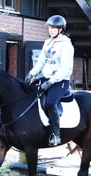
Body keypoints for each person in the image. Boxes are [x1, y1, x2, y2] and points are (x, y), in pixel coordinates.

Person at [25, 15, 74, 146]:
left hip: (60, 81)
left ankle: (56, 135)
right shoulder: (47, 42)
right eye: (50, 27)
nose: (50, 30)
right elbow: (41, 62)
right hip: (46, 78)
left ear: (61, 29)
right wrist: (31, 74)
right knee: (27, 92)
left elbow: (64, 68)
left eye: (54, 28)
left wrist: (51, 82)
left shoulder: (66, 45)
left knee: (50, 103)